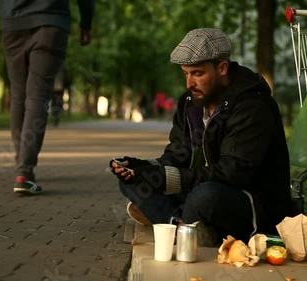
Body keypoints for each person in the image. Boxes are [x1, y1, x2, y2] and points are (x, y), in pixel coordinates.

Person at [110, 28, 293, 246]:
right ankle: (184, 227)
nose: (189, 83)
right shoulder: (190, 104)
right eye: (185, 73)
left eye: (197, 73)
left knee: (204, 197)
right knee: (133, 183)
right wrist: (142, 168)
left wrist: (168, 180)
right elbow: (177, 155)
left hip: (250, 202)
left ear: (222, 68)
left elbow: (232, 174)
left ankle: (170, 219)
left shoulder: (252, 107)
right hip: (204, 185)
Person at [0, 0, 95, 195]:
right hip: (52, 20)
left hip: (13, 20)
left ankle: (23, 169)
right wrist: (86, 22)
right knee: (38, 96)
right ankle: (24, 172)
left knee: (19, 95)